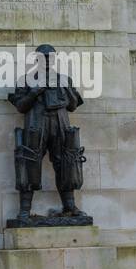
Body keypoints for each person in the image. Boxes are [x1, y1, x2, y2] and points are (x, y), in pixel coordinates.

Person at [8, 44, 86, 221]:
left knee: (67, 163)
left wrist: (66, 89)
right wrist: (36, 91)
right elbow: (20, 106)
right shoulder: (26, 80)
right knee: (28, 162)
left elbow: (73, 106)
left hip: (60, 124)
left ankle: (70, 206)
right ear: (37, 59)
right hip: (37, 123)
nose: (48, 61)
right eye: (44, 57)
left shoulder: (64, 79)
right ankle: (25, 210)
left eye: (51, 57)